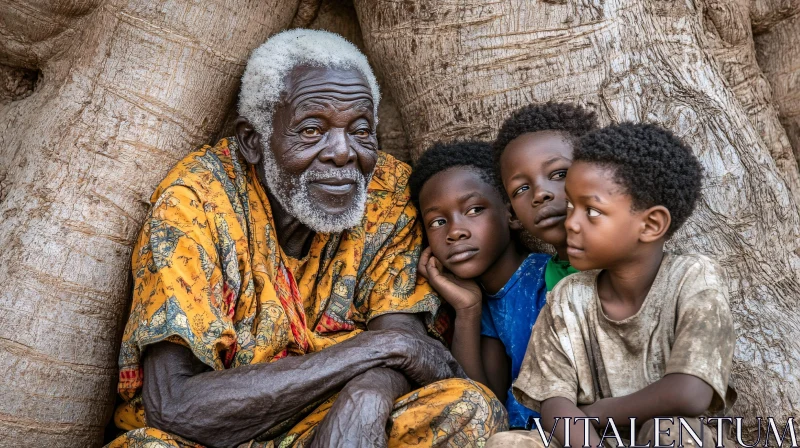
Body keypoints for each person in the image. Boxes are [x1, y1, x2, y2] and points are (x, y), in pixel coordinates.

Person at [107, 29, 507, 448]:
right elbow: (175, 406)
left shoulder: (388, 190)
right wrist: (379, 348)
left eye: (361, 129)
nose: (343, 152)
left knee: (469, 408)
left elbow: (405, 350)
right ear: (252, 141)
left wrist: (364, 398)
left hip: (343, 426)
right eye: (313, 130)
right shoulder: (195, 203)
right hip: (214, 436)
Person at [487, 123, 736, 448]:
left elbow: (690, 392)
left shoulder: (693, 278)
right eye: (572, 207)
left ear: (650, 224)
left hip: (668, 434)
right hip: (588, 440)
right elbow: (555, 403)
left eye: (591, 211)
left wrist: (595, 413)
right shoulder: (567, 296)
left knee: (673, 432)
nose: (572, 222)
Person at [409, 141, 549, 431]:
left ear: (511, 215)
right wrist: (468, 309)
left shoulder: (548, 280)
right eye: (437, 222)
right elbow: (484, 403)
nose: (455, 231)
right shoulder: (486, 301)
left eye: (474, 209)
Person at [493, 102, 598, 291]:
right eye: (521, 189)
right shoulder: (544, 282)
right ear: (514, 215)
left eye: (559, 174)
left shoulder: (630, 266)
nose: (540, 194)